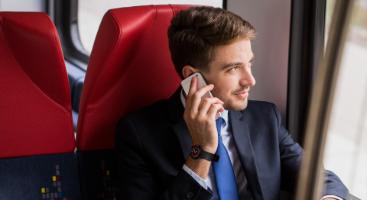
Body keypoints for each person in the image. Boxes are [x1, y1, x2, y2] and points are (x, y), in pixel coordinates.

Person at [115, 6, 348, 200]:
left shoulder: (265, 118)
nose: (250, 80)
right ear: (192, 77)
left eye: (249, 64)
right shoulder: (139, 134)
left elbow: (319, 178)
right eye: (233, 68)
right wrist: (201, 151)